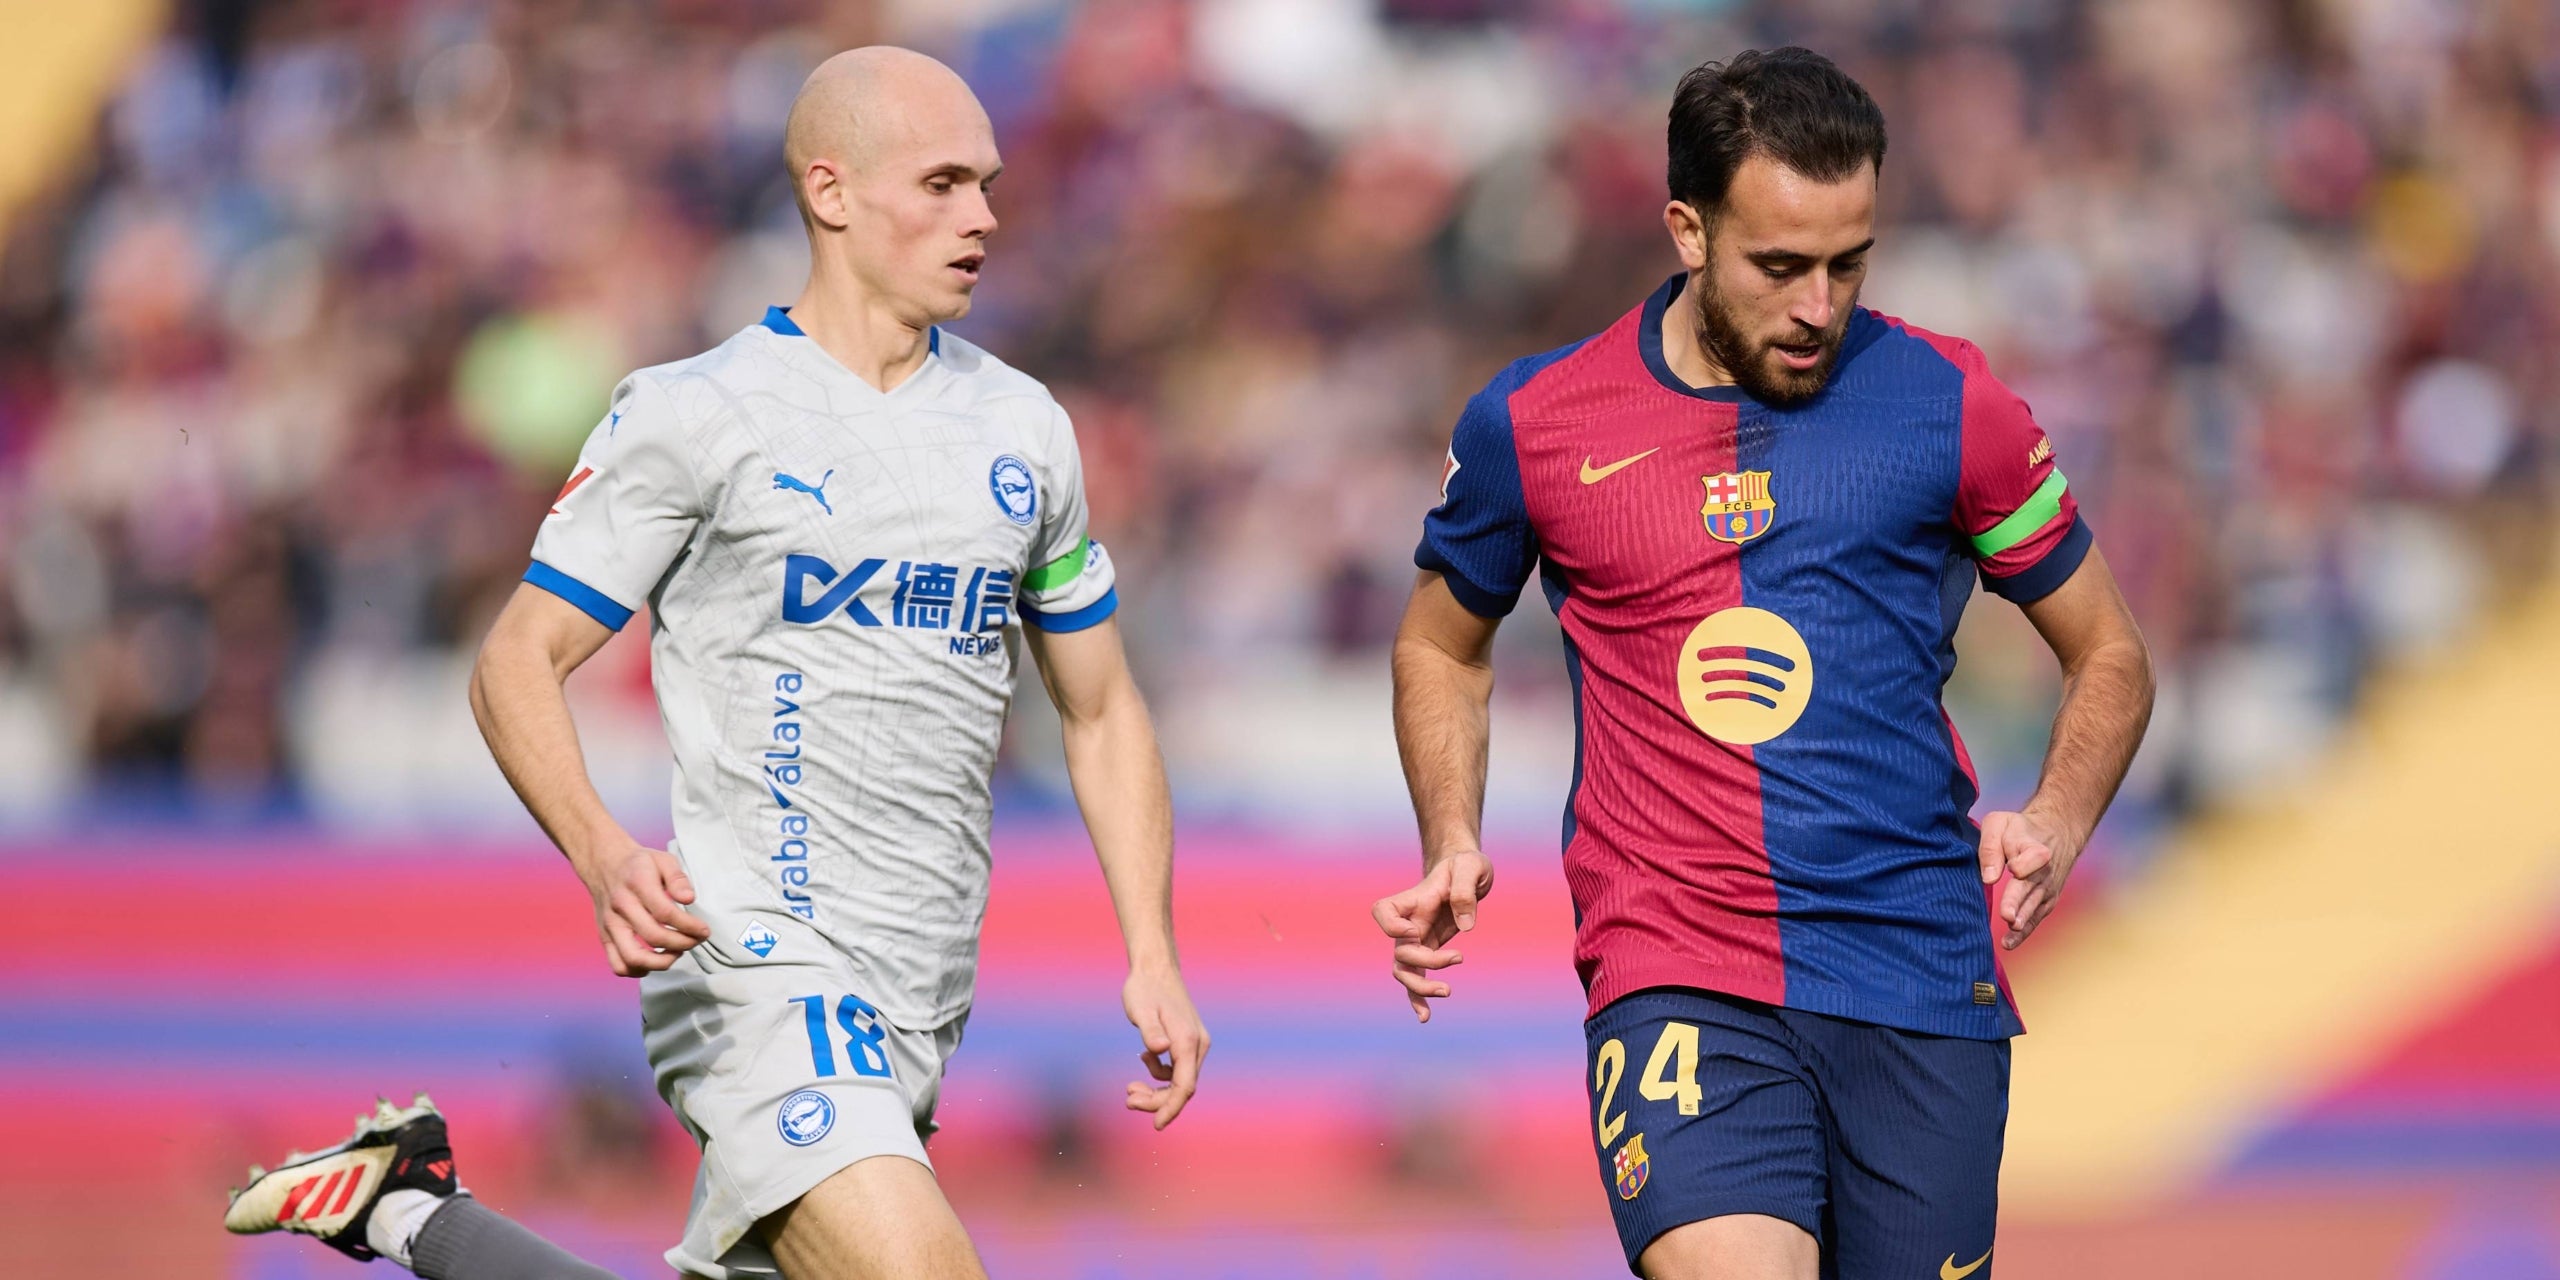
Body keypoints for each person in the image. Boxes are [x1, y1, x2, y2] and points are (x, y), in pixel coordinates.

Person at [226, 46, 1209, 1280]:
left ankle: (409, 1207)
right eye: (944, 183)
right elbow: (516, 658)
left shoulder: (1026, 428)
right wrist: (602, 851)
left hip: (918, 993)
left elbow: (1101, 708)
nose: (984, 218)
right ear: (831, 191)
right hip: (752, 961)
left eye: (988, 185)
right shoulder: (697, 411)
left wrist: (1151, 948)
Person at [1373, 47, 2153, 1280]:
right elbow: (1437, 641)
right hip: (1675, 962)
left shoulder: (1949, 403)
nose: (1817, 305)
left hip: (1916, 969)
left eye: (1849, 263)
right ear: (1687, 230)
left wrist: (2055, 817)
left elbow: (2108, 649)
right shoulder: (1537, 422)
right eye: (1779, 266)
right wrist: (1450, 830)